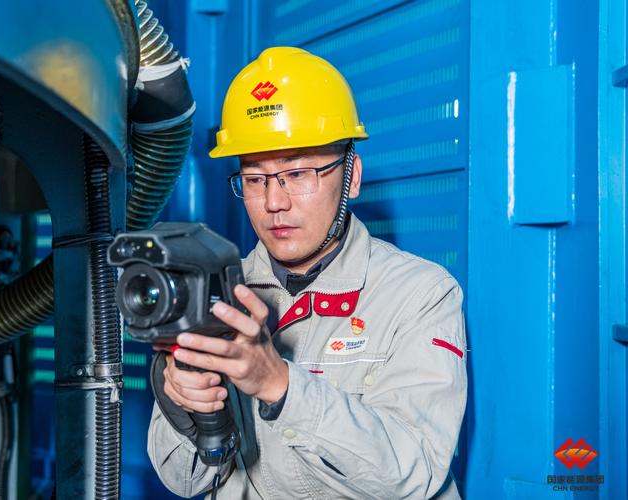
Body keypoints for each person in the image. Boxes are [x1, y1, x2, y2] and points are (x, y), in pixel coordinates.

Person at [147, 46, 467, 499]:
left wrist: (280, 384)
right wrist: (185, 404)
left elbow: (415, 474)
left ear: (352, 176)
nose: (274, 202)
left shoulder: (421, 294)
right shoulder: (216, 291)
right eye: (254, 179)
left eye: (298, 173)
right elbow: (183, 481)